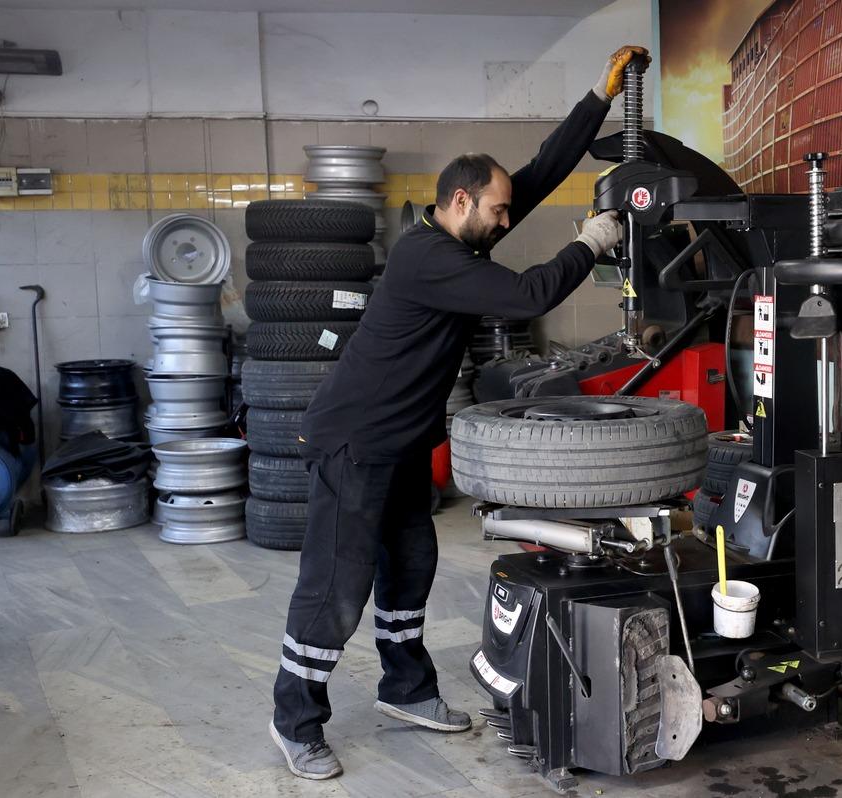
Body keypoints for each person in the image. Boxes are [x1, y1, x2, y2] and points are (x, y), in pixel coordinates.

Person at [270, 45, 651, 780]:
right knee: (335, 588)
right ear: (460, 202)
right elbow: (532, 295)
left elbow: (535, 177)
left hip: (404, 445)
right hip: (354, 444)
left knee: (409, 568)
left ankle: (405, 690)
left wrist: (596, 101)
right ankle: (295, 719)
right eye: (499, 210)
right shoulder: (427, 257)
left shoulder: (461, 236)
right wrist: (589, 242)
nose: (509, 217)